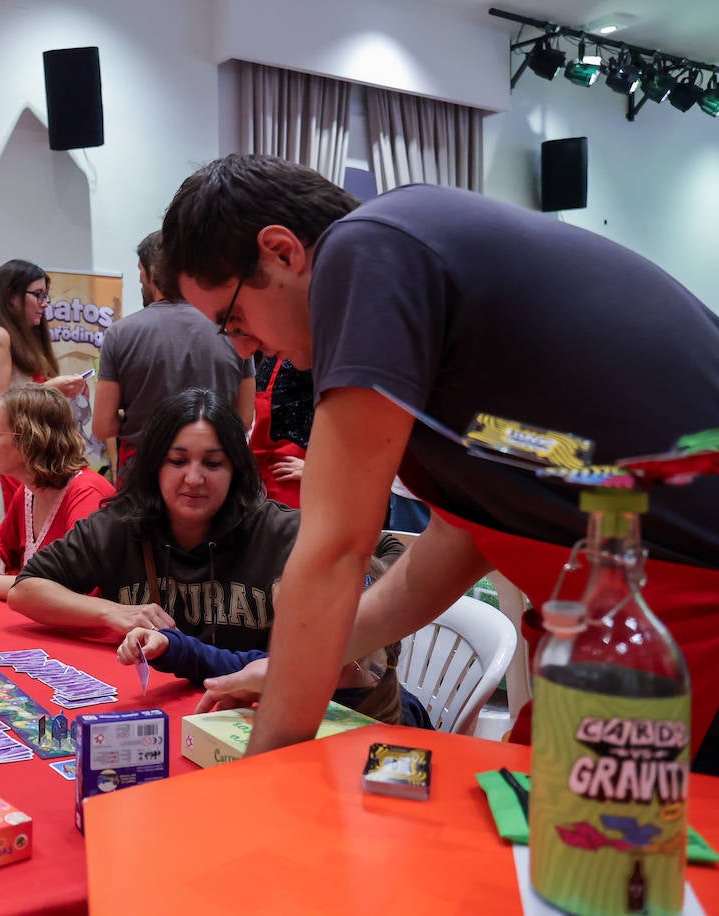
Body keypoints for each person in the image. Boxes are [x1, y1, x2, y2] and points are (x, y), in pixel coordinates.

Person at [160, 153, 719, 772]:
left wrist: (255, 777)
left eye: (233, 318)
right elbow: (458, 542)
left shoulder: (364, 251)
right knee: (543, 845)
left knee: (583, 854)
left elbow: (334, 551)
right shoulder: (422, 276)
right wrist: (288, 666)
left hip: (678, 610)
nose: (246, 348)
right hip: (642, 613)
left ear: (283, 252)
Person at [7, 388, 404, 649]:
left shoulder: (275, 530)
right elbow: (25, 590)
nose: (193, 479)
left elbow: (387, 550)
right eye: (177, 461)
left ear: (236, 471)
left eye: (213, 463)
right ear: (154, 467)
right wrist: (113, 612)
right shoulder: (122, 525)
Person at [115, 556, 432, 729]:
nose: (289, 641)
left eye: (301, 629)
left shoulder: (401, 714)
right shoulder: (275, 667)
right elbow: (210, 659)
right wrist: (166, 643)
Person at [93, 230, 255, 478]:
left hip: (143, 474)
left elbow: (103, 425)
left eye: (140, 271)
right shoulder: (233, 329)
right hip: (211, 474)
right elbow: (244, 418)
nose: (139, 280)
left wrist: (133, 417)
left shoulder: (120, 334)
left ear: (152, 273)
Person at [0, 385, 114, 599]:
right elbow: (1, 541)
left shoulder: (87, 493)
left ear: (28, 441)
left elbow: (75, 586)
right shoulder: (29, 491)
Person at [0, 259, 88, 543]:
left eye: (47, 296)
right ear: (11, 296)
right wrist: (51, 389)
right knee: (0, 553)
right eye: (38, 295)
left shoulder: (23, 339)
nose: (45, 304)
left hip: (22, 463)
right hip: (1, 464)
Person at [249, 354, 310, 509]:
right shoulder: (267, 356)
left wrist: (316, 471)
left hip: (295, 484)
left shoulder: (311, 355)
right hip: (261, 480)